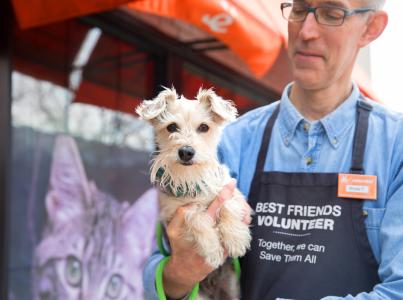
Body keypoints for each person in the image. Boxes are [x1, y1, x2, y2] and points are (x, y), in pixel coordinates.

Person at [144, 0, 403, 299]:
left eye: (332, 14)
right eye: (299, 10)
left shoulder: (395, 146)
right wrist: (180, 273)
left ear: (371, 28)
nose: (306, 31)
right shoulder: (230, 139)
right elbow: (160, 274)